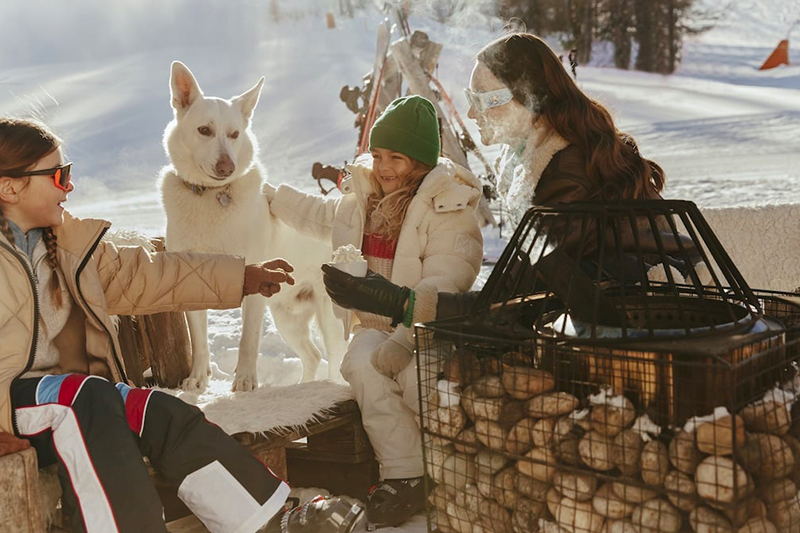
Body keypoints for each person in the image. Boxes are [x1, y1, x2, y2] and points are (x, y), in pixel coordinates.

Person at [0, 118, 364, 533]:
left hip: (79, 403)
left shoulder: (67, 247)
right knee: (87, 397)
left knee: (160, 410)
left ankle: (272, 521)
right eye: (58, 176)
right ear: (9, 187)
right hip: (14, 405)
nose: (70, 187)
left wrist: (239, 277)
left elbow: (152, 275)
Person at [322, 32, 669, 323]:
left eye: (483, 99)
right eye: (470, 99)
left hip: (652, 324)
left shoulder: (565, 172)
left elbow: (512, 306)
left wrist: (396, 303)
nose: (472, 112)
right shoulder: (541, 159)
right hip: (625, 313)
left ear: (529, 97)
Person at [265, 96, 483, 528]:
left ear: (419, 162)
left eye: (396, 158)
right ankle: (404, 474)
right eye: (378, 155)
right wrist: (273, 196)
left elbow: (445, 280)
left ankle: (451, 470)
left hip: (427, 329)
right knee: (361, 366)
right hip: (373, 326)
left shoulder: (448, 209)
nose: (384, 167)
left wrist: (405, 339)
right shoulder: (362, 198)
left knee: (412, 382)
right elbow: (320, 215)